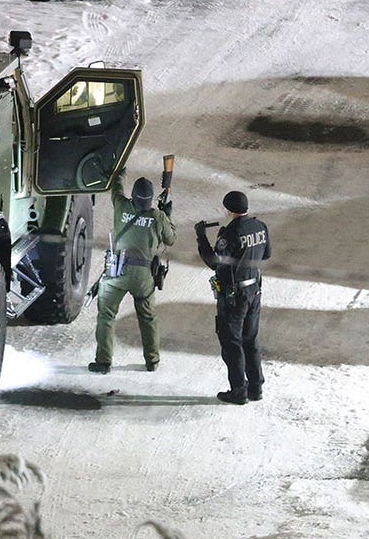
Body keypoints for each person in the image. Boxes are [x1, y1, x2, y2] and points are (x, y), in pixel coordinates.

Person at [90, 171, 176, 374]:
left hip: (117, 271)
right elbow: (170, 239)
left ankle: (103, 362)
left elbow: (116, 186)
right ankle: (152, 361)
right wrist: (167, 215)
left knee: (106, 316)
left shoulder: (121, 205)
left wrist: (120, 169)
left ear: (133, 196)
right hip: (144, 276)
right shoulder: (158, 216)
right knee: (148, 318)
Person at [195, 190, 271, 404]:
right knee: (251, 339)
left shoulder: (230, 233)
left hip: (234, 296)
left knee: (232, 342)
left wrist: (201, 236)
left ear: (228, 209)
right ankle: (255, 387)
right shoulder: (260, 227)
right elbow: (266, 254)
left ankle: (239, 391)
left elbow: (213, 261)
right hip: (254, 291)